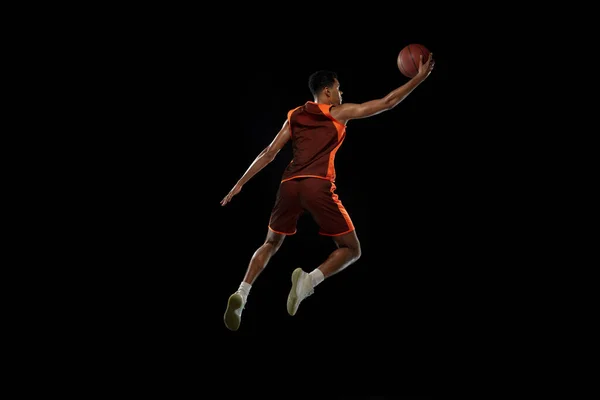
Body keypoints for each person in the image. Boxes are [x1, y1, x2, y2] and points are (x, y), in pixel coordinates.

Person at [220, 53, 435, 331]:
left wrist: (240, 183)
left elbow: (269, 153)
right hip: (317, 184)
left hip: (288, 186)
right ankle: (309, 281)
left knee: (271, 243)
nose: (341, 93)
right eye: (339, 88)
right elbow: (387, 102)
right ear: (327, 91)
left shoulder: (294, 115)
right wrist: (418, 78)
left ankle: (242, 292)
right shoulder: (337, 113)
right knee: (351, 249)